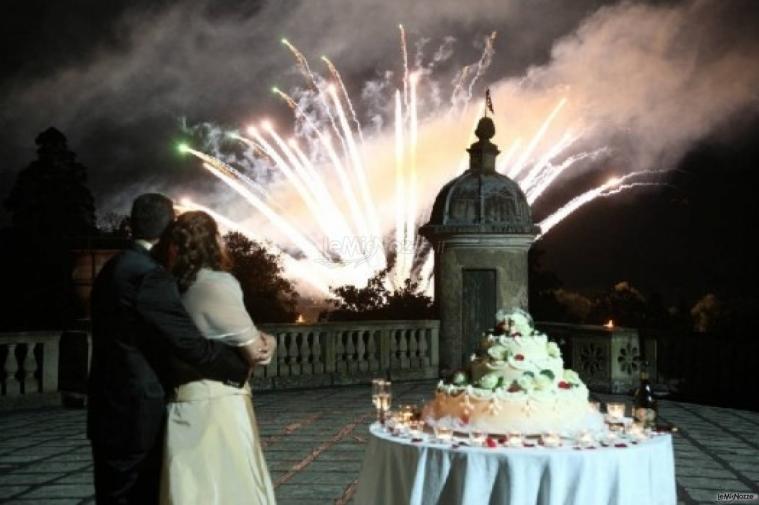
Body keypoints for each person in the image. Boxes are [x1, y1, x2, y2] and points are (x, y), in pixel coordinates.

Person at [87, 194, 272, 505]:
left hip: (109, 406)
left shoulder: (114, 266)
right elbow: (189, 344)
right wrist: (238, 368)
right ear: (170, 226)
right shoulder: (150, 274)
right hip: (138, 412)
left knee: (113, 493)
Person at [155, 210, 277, 505]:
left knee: (192, 490)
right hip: (219, 403)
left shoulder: (176, 286)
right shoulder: (219, 283)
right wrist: (269, 340)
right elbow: (255, 351)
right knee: (232, 488)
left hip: (182, 402)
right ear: (212, 242)